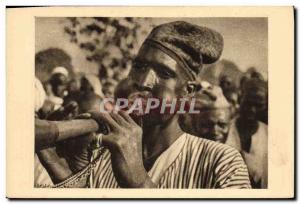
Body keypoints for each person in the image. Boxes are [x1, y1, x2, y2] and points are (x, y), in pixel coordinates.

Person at [41, 21, 251, 188]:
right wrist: (65, 175)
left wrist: (140, 184)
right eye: (139, 66)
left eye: (164, 73)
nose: (142, 81)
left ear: (187, 93)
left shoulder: (222, 162)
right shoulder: (102, 154)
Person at [226, 78, 268, 188]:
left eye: (258, 105)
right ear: (240, 99)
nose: (252, 110)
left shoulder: (270, 135)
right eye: (248, 103)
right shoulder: (224, 130)